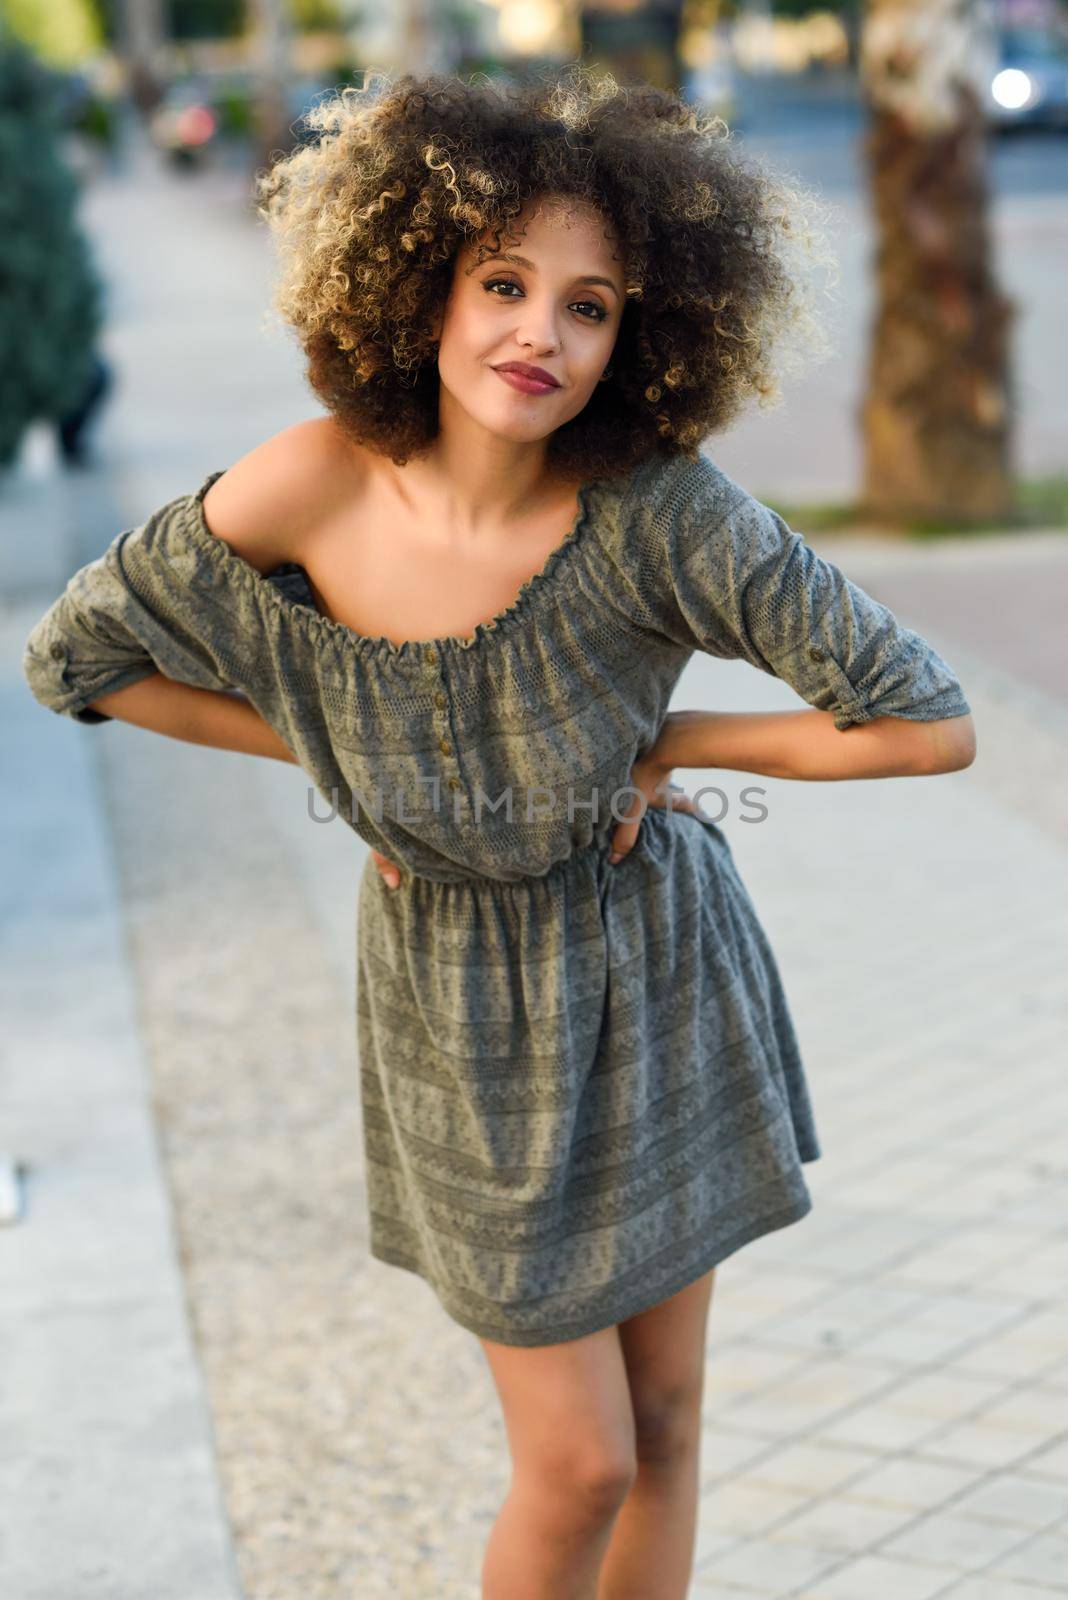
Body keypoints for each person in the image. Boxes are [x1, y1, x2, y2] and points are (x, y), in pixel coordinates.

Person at [21, 66, 975, 1600]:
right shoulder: (310, 484)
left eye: (591, 306)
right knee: (577, 1459)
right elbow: (81, 658)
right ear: (425, 285)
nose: (542, 332)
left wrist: (672, 748)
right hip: (458, 1015)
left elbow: (926, 719)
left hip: (661, 974)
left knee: (662, 1431)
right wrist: (350, 765)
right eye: (505, 282)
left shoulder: (659, 509)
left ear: (641, 334)